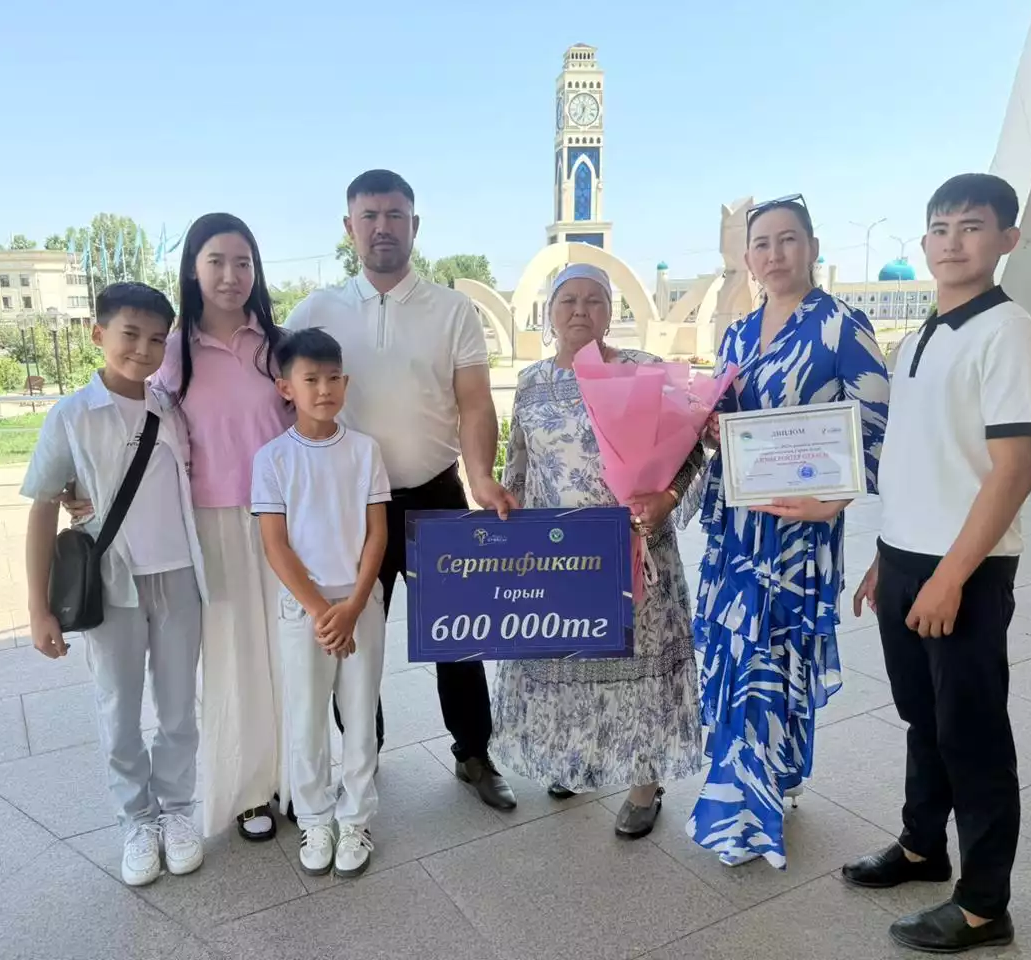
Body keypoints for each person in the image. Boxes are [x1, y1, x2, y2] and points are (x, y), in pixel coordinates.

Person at [842, 174, 1031, 954]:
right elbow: (917, 458)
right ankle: (922, 846)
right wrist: (886, 555)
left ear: (1007, 239)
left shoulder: (1010, 332)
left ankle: (984, 905)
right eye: (939, 228)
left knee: (972, 734)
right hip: (907, 560)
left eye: (972, 226)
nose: (951, 242)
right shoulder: (921, 337)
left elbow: (1013, 471)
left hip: (964, 568)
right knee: (922, 718)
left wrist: (949, 576)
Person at [286, 169, 518, 811]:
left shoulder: (452, 310)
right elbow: (280, 399)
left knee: (460, 634)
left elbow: (475, 402)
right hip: (349, 505)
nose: (382, 227)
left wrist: (481, 475)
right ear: (349, 227)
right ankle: (364, 751)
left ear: (415, 225)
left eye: (394, 215)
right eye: (369, 216)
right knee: (353, 632)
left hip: (435, 494)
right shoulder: (316, 311)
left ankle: (473, 752)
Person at [65, 214, 294, 841]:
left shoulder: (277, 344)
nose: (231, 275)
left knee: (287, 651)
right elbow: (125, 417)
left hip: (281, 521)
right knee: (231, 660)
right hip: (210, 525)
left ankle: (296, 778)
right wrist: (83, 485)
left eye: (243, 262)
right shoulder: (170, 352)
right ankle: (249, 791)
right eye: (216, 261)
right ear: (193, 269)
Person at [686, 195, 890, 867]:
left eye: (788, 239)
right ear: (747, 258)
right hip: (738, 528)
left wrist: (835, 500)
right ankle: (765, 777)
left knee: (773, 652)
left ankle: (746, 813)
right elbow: (725, 421)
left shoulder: (841, 326)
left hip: (799, 530)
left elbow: (877, 424)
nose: (774, 254)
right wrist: (710, 429)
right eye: (762, 244)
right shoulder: (737, 334)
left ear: (812, 247)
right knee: (740, 651)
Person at [491, 264, 704, 837]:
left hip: (633, 546)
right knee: (568, 660)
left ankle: (643, 783)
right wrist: (507, 521)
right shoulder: (531, 382)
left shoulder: (640, 371)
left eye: (594, 300)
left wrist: (666, 499)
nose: (581, 311)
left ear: (611, 312)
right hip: (559, 555)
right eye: (568, 300)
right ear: (549, 312)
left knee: (636, 668)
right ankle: (575, 760)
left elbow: (688, 450)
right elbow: (519, 464)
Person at [23, 282, 207, 887]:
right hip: (112, 585)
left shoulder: (170, 408)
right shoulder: (72, 415)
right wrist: (38, 609)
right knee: (119, 710)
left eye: (157, 339)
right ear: (98, 333)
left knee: (178, 709)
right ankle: (137, 820)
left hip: (178, 577)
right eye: (130, 334)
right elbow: (42, 507)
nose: (143, 350)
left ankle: (177, 811)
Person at [252, 328, 389, 878]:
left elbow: (377, 535)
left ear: (346, 383)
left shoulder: (364, 450)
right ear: (286, 387)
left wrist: (352, 606)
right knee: (306, 718)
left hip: (360, 603)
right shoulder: (272, 458)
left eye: (333, 378)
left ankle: (355, 819)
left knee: (360, 716)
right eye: (311, 379)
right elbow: (275, 545)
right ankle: (314, 818)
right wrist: (319, 610)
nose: (324, 389)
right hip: (302, 609)